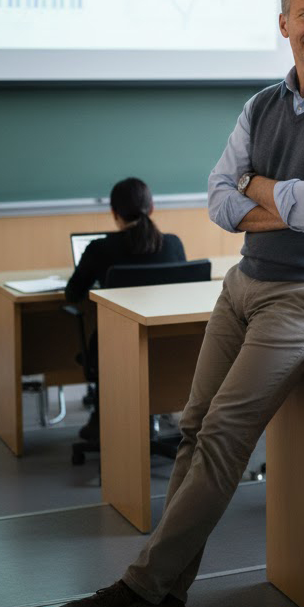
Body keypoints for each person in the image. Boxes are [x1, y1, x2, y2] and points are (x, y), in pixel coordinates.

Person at [47, 0, 304, 607]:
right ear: (283, 24)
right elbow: (219, 202)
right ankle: (166, 598)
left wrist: (258, 188)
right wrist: (280, 200)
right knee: (194, 429)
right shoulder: (260, 106)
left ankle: (140, 586)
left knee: (226, 438)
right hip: (244, 285)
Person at [65, 177, 186, 443]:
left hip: (117, 349)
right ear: (151, 207)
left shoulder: (99, 249)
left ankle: (105, 420)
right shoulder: (174, 244)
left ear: (114, 214)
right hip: (173, 348)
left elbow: (72, 293)